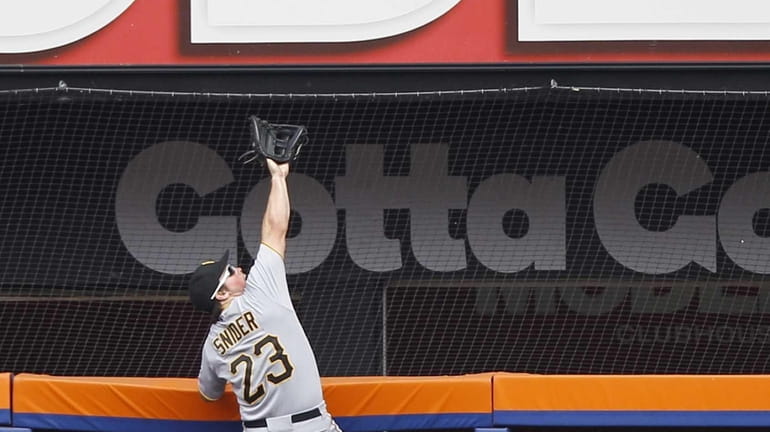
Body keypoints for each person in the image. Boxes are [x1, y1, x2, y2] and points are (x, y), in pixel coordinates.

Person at [188, 158, 342, 432]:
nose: (239, 268)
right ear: (221, 292)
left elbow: (208, 395)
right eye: (231, 270)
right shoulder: (261, 291)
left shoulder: (212, 346)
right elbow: (275, 229)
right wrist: (279, 177)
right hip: (311, 425)